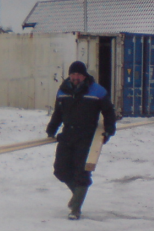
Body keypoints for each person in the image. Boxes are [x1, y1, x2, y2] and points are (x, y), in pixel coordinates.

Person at [46, 61, 116, 220]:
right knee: (60, 170)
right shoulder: (63, 91)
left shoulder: (97, 91)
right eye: (73, 74)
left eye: (78, 74)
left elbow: (109, 112)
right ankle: (78, 195)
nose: (75, 77)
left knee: (81, 171)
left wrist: (109, 130)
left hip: (87, 136)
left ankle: (75, 209)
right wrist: (51, 129)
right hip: (68, 134)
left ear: (84, 76)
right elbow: (58, 112)